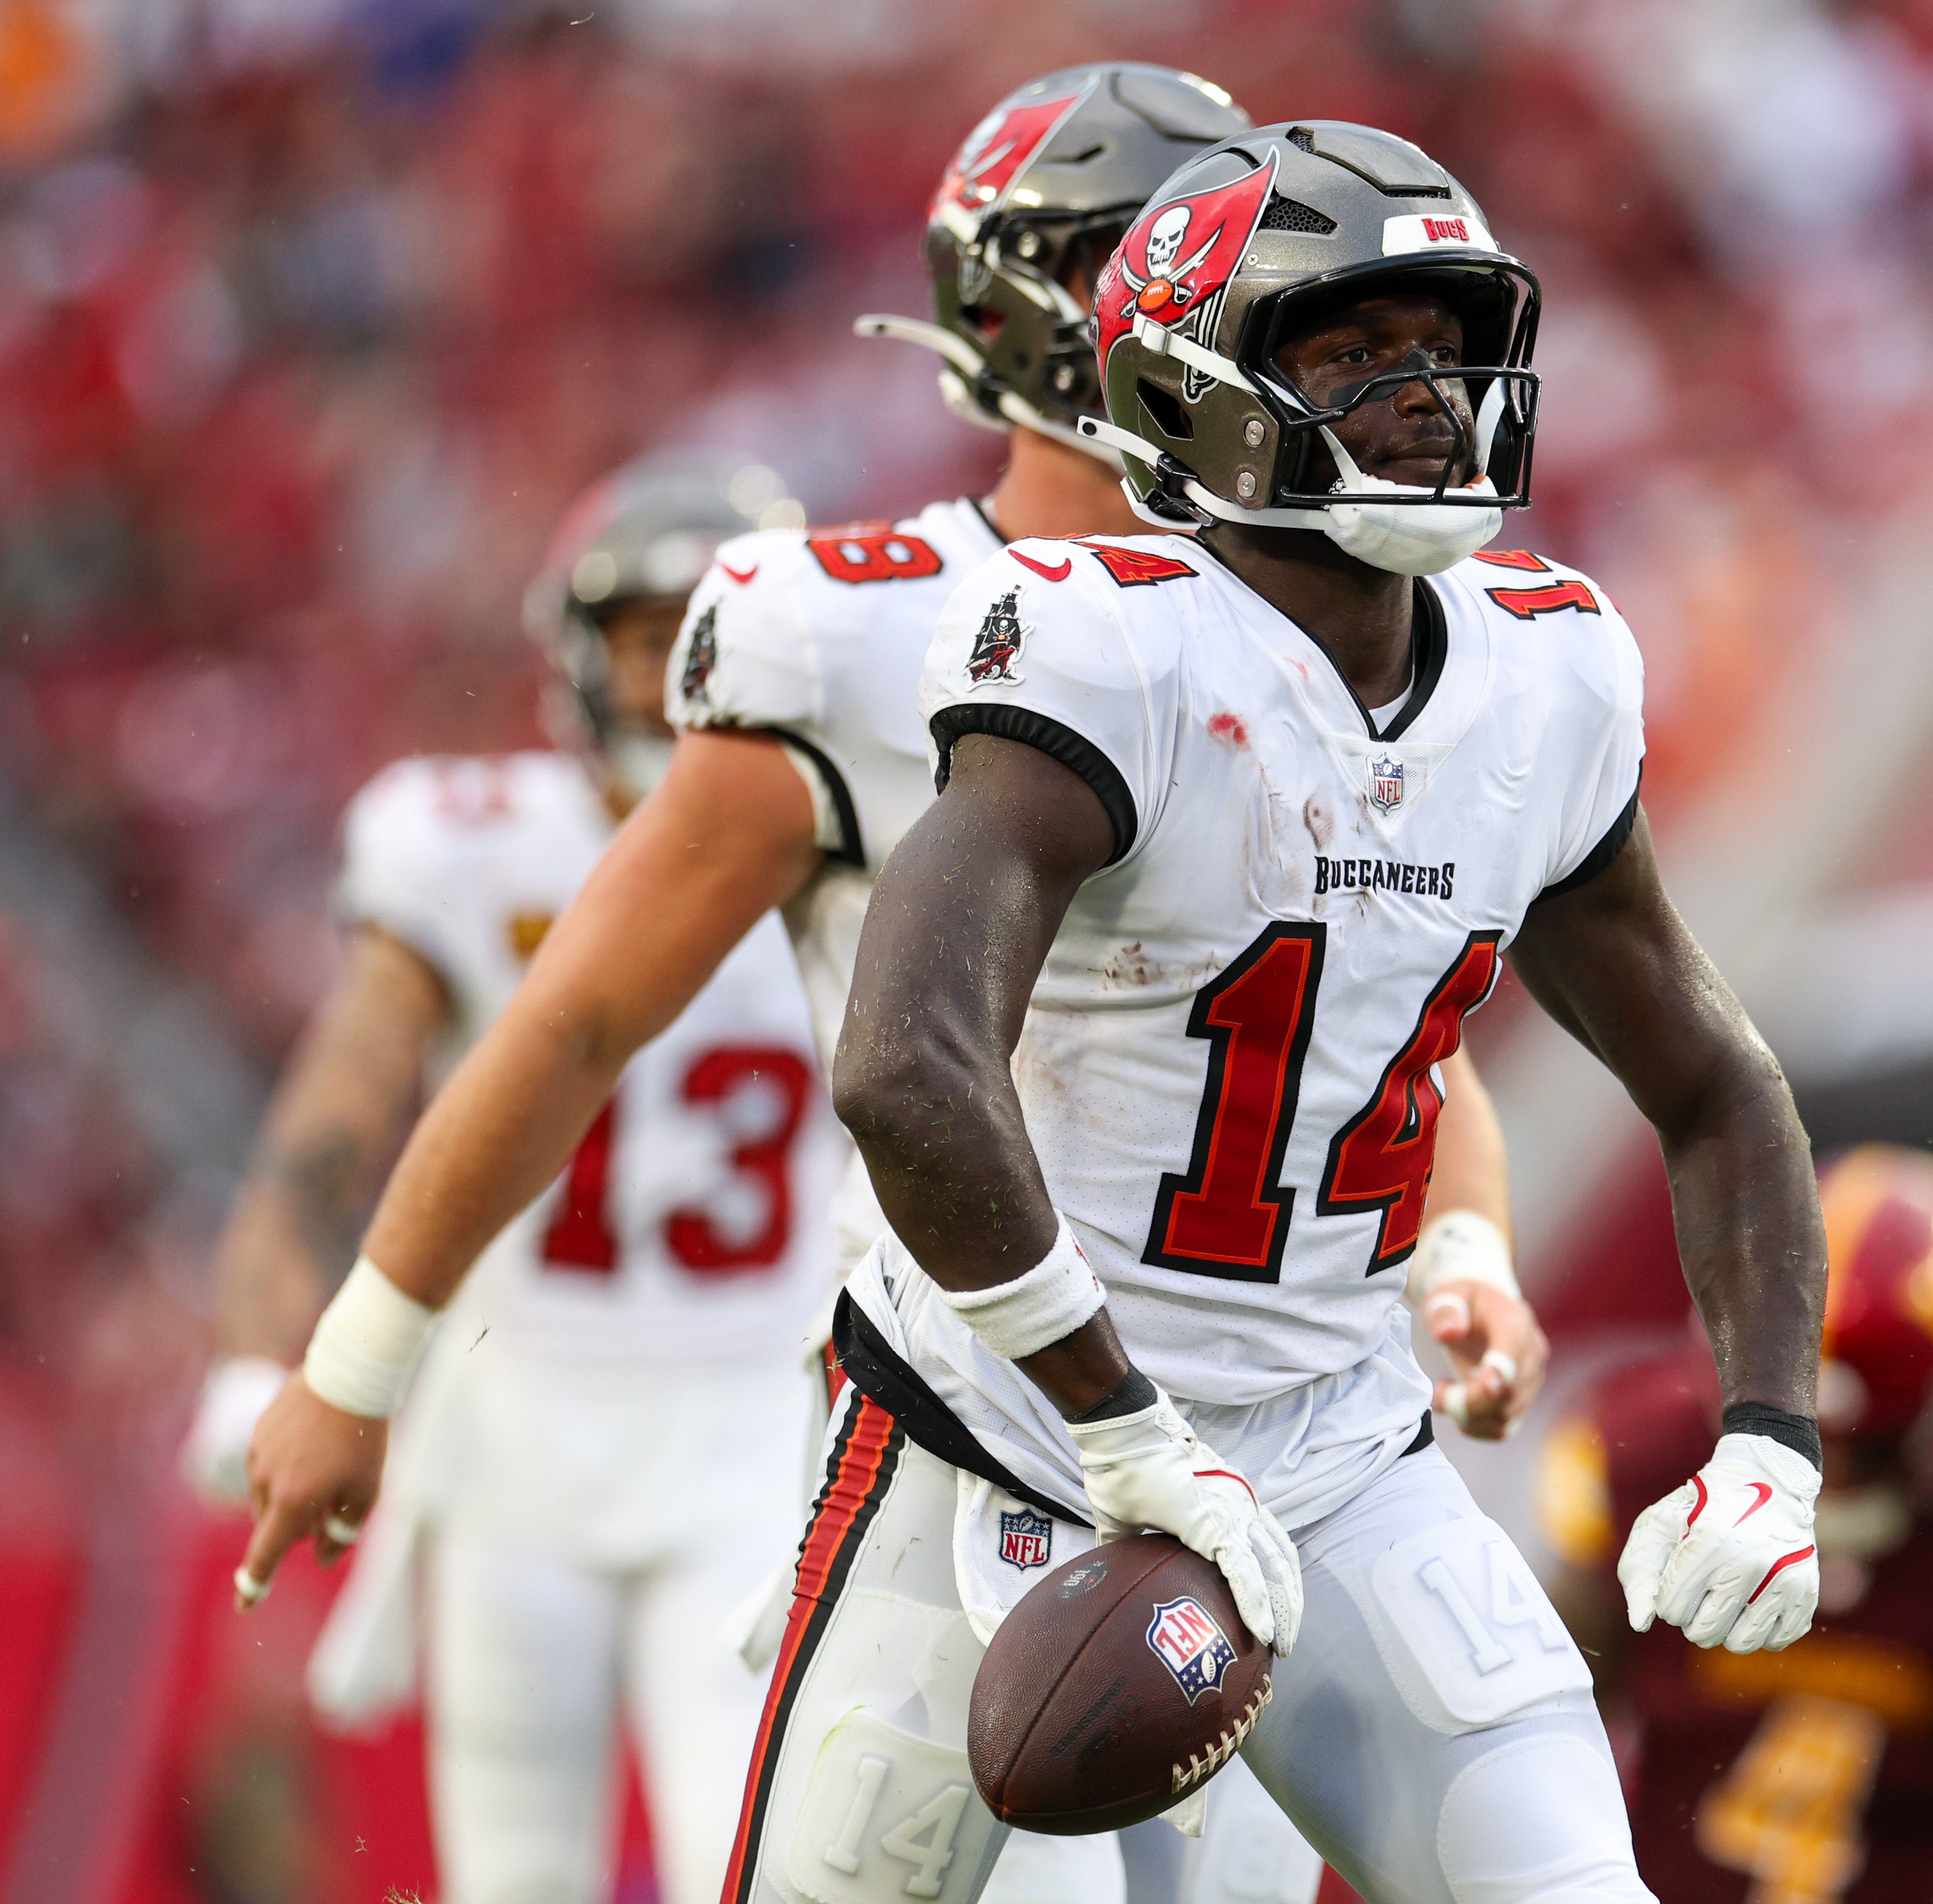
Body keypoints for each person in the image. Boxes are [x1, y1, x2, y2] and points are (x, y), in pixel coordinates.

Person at [232, 64, 1546, 1904]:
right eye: (1167, 255)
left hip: (1270, 1442)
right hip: (967, 1421)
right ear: (1049, 303)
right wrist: (361, 1355)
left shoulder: (1307, 615)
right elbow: (578, 1012)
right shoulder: (862, 626)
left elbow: (1379, 1027)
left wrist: (1464, 1248)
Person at [699, 119, 1834, 1904]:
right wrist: (1122, 1425)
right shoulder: (1107, 646)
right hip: (998, 1432)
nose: (1427, 390)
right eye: (1352, 349)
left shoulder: (1545, 672)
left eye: (1443, 340)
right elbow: (904, 1067)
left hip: (1335, 1443)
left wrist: (1769, 1435)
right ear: (1197, 396)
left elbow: (1714, 1084)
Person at [180, 454, 848, 1904]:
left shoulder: (857, 842)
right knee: (514, 1879)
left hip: (756, 1433)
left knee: (746, 1865)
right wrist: (258, 1362)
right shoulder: (474, 845)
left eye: (709, 639)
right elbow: (331, 1128)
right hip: (515, 1441)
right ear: (573, 654)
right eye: (642, 638)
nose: (676, 684)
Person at [1539, 1145, 1933, 1904]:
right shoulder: (1644, 1467)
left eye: (1865, 1447)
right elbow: (1530, 1737)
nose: (1817, 1475)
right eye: (1783, 1427)